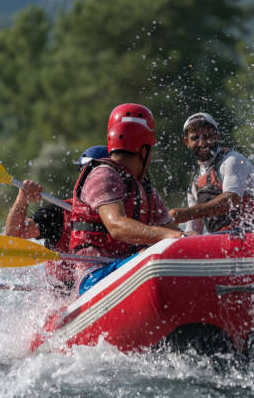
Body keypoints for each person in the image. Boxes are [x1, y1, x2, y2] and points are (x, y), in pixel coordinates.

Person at [68, 103, 183, 291]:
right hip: (94, 277)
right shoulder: (102, 174)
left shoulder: (147, 190)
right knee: (156, 257)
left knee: (170, 256)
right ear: (144, 150)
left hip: (128, 267)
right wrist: (170, 236)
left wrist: (200, 240)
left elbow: (174, 231)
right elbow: (116, 226)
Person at [4, 145, 109, 293]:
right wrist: (22, 200)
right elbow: (12, 236)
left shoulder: (126, 213)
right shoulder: (60, 213)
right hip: (66, 296)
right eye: (92, 175)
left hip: (107, 280)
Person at [169, 112, 254, 234]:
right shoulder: (195, 183)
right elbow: (194, 230)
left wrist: (188, 213)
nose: (202, 143)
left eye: (207, 136)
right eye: (195, 138)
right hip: (222, 240)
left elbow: (231, 200)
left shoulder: (233, 160)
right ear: (186, 142)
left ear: (217, 136)